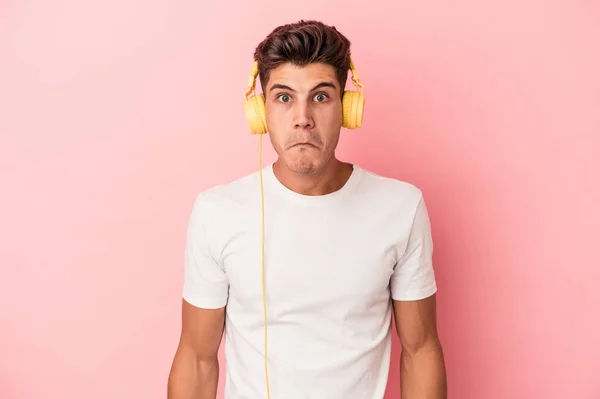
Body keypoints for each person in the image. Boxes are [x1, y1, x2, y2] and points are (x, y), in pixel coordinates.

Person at [167, 20, 447, 399]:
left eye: (320, 96)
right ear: (261, 110)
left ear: (347, 108)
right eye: (284, 97)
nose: (302, 117)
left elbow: (420, 350)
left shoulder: (401, 207)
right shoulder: (217, 212)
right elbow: (197, 359)